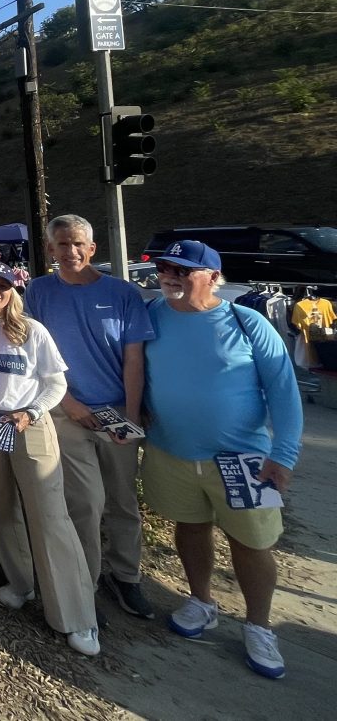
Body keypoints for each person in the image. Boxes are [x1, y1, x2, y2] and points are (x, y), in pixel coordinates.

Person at [142, 240, 302, 679]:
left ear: (213, 277)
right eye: (164, 267)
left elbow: (284, 391)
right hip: (171, 450)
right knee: (190, 527)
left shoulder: (246, 321)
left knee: (251, 543)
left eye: (182, 270)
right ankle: (201, 600)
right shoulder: (152, 315)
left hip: (245, 459)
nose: (170, 275)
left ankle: (259, 626)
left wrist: (284, 454)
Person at [0, 261, 100, 656]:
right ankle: (22, 583)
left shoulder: (32, 331)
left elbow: (55, 383)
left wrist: (32, 413)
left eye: (2, 285)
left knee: (49, 516)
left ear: (13, 291)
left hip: (28, 425)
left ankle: (78, 617)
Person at [25, 214, 156, 619]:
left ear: (92, 248)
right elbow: (35, 359)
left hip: (117, 411)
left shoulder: (123, 294)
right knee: (84, 502)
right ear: (50, 250)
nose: (70, 251)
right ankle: (86, 580)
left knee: (122, 500)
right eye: (61, 244)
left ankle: (127, 577)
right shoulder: (37, 292)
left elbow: (134, 359)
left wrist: (130, 419)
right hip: (67, 413)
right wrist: (69, 405)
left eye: (78, 244)